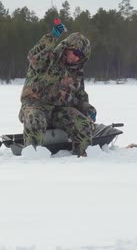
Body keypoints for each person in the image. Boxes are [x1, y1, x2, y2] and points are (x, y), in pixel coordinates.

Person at [18, 18, 96, 157]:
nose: (77, 58)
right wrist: (52, 36)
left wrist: (88, 109)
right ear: (67, 47)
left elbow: (79, 98)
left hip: (59, 111)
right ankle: (32, 158)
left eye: (81, 56)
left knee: (83, 124)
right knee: (36, 119)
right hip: (35, 105)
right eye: (75, 52)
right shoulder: (48, 59)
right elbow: (33, 57)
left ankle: (82, 160)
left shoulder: (76, 73)